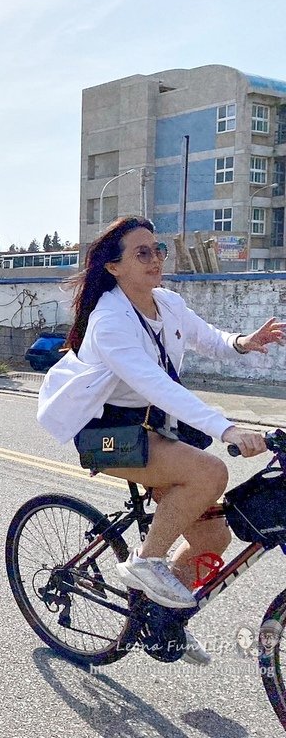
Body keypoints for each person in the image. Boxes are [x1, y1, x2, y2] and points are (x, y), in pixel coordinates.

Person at [37, 216, 284, 664]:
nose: (155, 259)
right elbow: (159, 386)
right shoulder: (109, 321)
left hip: (150, 428)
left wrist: (245, 342)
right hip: (104, 434)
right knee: (210, 472)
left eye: (158, 250)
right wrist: (227, 429)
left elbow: (211, 340)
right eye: (142, 252)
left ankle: (162, 617)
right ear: (114, 267)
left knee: (213, 537)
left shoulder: (166, 303)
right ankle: (145, 564)